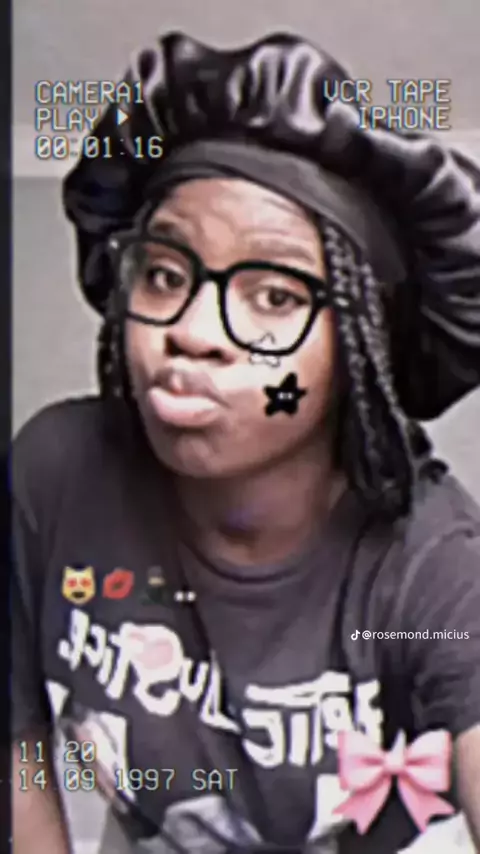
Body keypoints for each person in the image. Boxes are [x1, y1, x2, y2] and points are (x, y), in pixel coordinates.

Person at [11, 31, 480, 854]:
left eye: (274, 296)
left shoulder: (430, 561)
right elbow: (16, 747)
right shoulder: (56, 477)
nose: (193, 332)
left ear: (361, 350)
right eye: (165, 275)